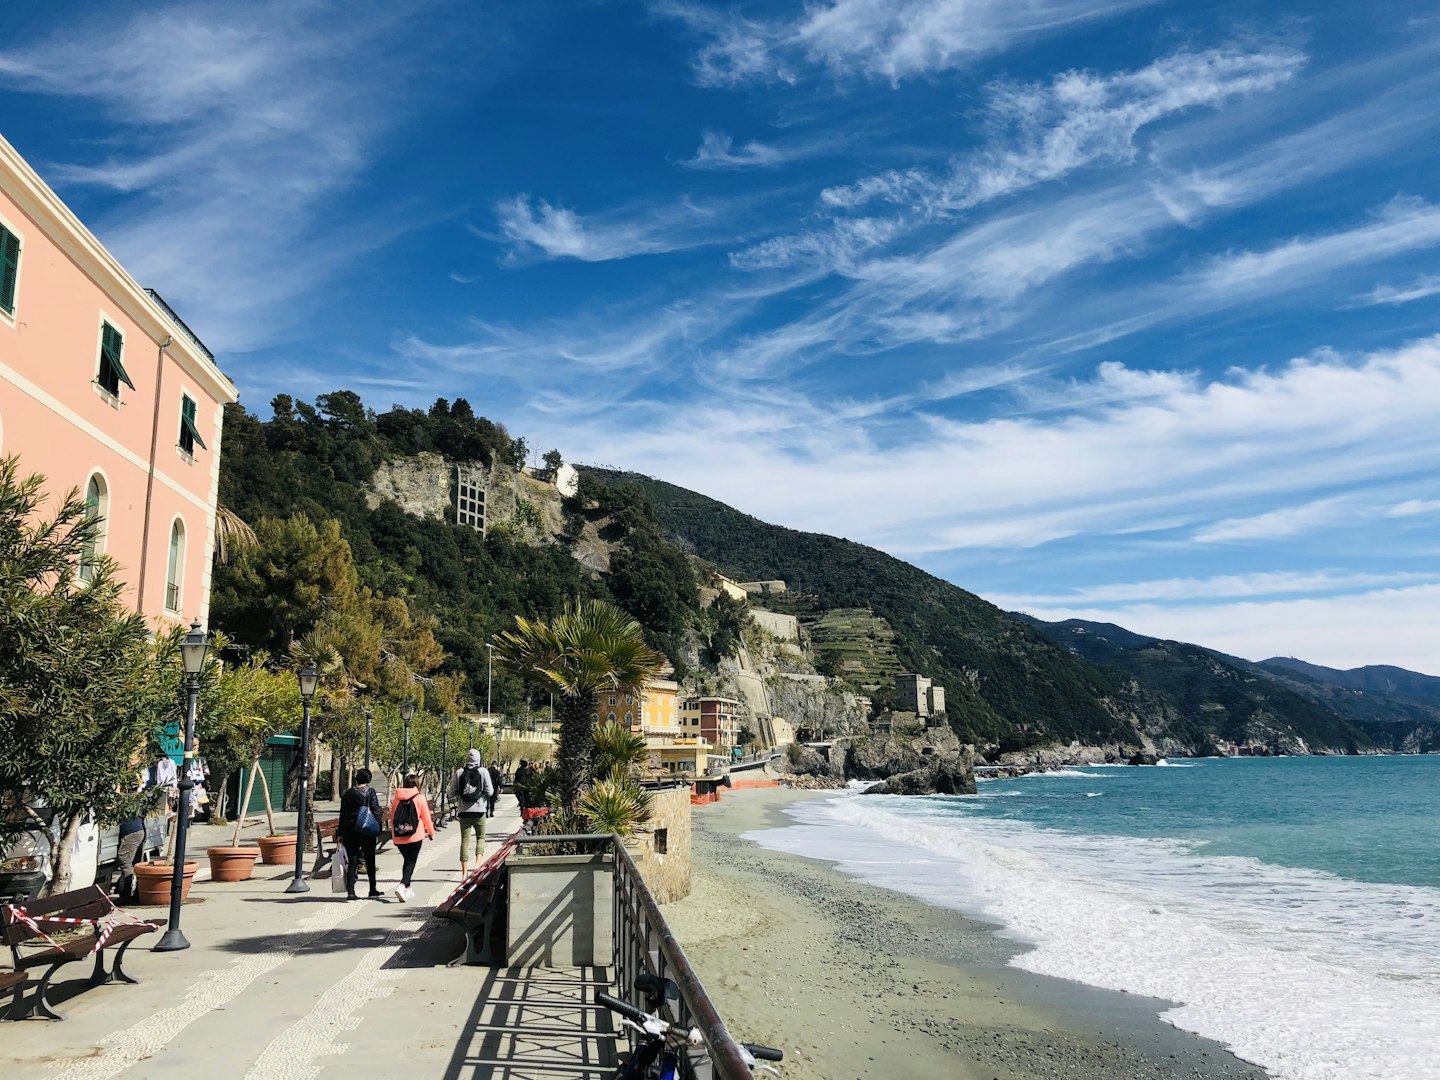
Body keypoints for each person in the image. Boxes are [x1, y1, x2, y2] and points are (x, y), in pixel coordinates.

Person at [388, 772, 434, 903]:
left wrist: (393, 835)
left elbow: (393, 818)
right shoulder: (419, 798)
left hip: (399, 836)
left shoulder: (397, 798)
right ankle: (402, 885)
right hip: (415, 836)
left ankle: (408, 888)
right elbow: (426, 817)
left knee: (407, 861)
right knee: (410, 862)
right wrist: (431, 832)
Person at [339, 768, 384, 900]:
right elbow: (376, 810)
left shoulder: (347, 794)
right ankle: (372, 889)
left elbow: (343, 814)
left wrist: (340, 833)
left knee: (352, 861)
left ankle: (351, 892)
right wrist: (378, 828)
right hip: (366, 830)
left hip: (349, 831)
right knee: (370, 860)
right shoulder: (370, 792)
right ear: (369, 780)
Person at [449, 748, 494, 876]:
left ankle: (464, 872)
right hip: (479, 811)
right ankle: (477, 864)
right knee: (480, 837)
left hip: (463, 812)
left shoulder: (459, 772)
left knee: (464, 841)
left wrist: (461, 795)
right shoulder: (483, 771)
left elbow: (451, 793)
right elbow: (490, 791)